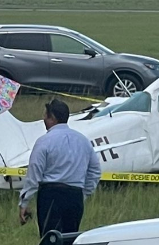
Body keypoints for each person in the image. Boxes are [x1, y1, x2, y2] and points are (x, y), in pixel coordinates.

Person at [19, 99, 102, 235]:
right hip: (75, 195)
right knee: (69, 240)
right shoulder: (83, 140)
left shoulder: (44, 141)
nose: (43, 119)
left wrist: (25, 202)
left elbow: (34, 172)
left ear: (53, 118)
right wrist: (83, 194)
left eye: (45, 115)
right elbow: (95, 171)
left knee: (50, 241)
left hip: (50, 196)